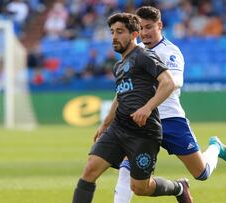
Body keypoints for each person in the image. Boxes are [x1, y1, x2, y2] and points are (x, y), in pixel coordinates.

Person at [113, 6, 226, 203]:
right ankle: (178, 189)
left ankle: (215, 148)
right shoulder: (135, 53)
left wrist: (151, 101)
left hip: (169, 119)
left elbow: (175, 81)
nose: (145, 33)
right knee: (130, 173)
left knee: (201, 172)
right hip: (142, 122)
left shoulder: (170, 51)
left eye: (149, 27)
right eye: (141, 28)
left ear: (160, 25)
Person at [72, 13, 193, 203]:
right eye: (112, 32)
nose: (114, 37)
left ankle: (178, 188)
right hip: (119, 128)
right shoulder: (119, 66)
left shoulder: (144, 56)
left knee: (140, 188)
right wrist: (105, 125)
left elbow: (168, 83)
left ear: (134, 34)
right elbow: (120, 97)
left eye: (120, 32)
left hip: (144, 132)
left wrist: (147, 108)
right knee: (90, 170)